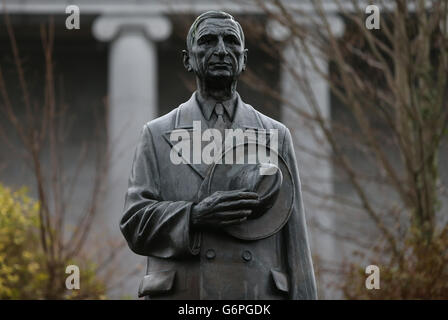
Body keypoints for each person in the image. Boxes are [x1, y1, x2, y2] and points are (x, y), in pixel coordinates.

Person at [120, 11, 317, 300]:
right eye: (208, 41)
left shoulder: (275, 135)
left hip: (255, 296)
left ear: (244, 58)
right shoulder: (157, 133)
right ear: (188, 59)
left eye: (231, 42)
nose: (222, 51)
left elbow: (296, 241)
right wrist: (195, 215)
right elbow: (134, 222)